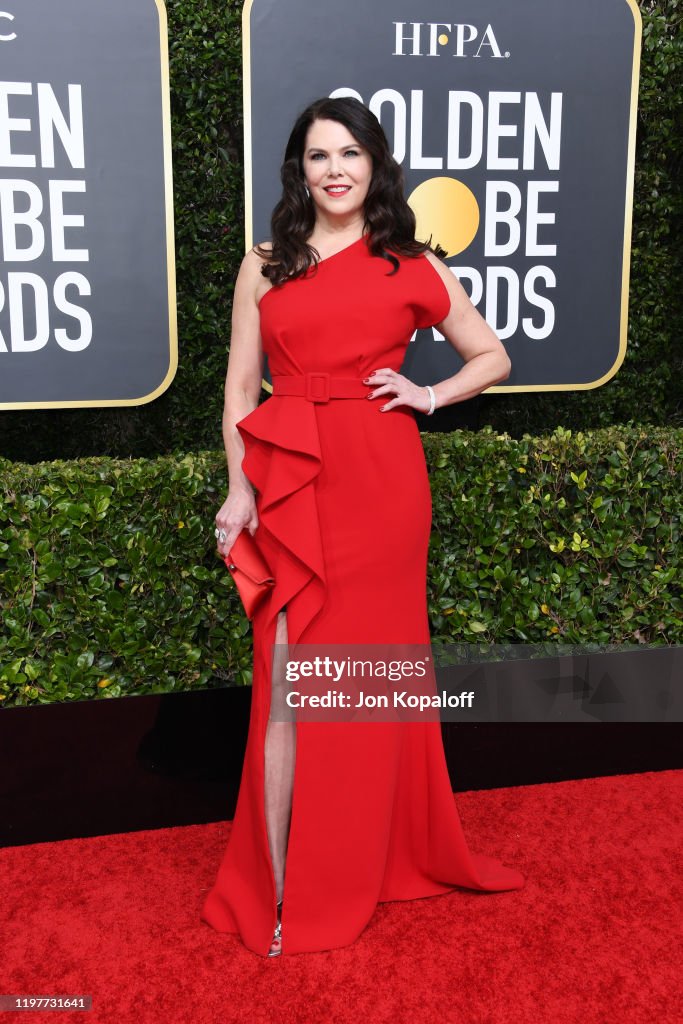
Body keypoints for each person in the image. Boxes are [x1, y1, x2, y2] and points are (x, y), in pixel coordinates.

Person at [201, 95, 524, 957]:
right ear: (297, 170)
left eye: (350, 153)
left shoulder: (409, 264)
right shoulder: (264, 263)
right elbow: (240, 389)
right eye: (317, 156)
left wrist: (427, 393)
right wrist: (240, 492)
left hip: (381, 486)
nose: (335, 169)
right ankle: (273, 886)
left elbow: (491, 354)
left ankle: (358, 861)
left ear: (375, 165)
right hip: (288, 481)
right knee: (284, 686)